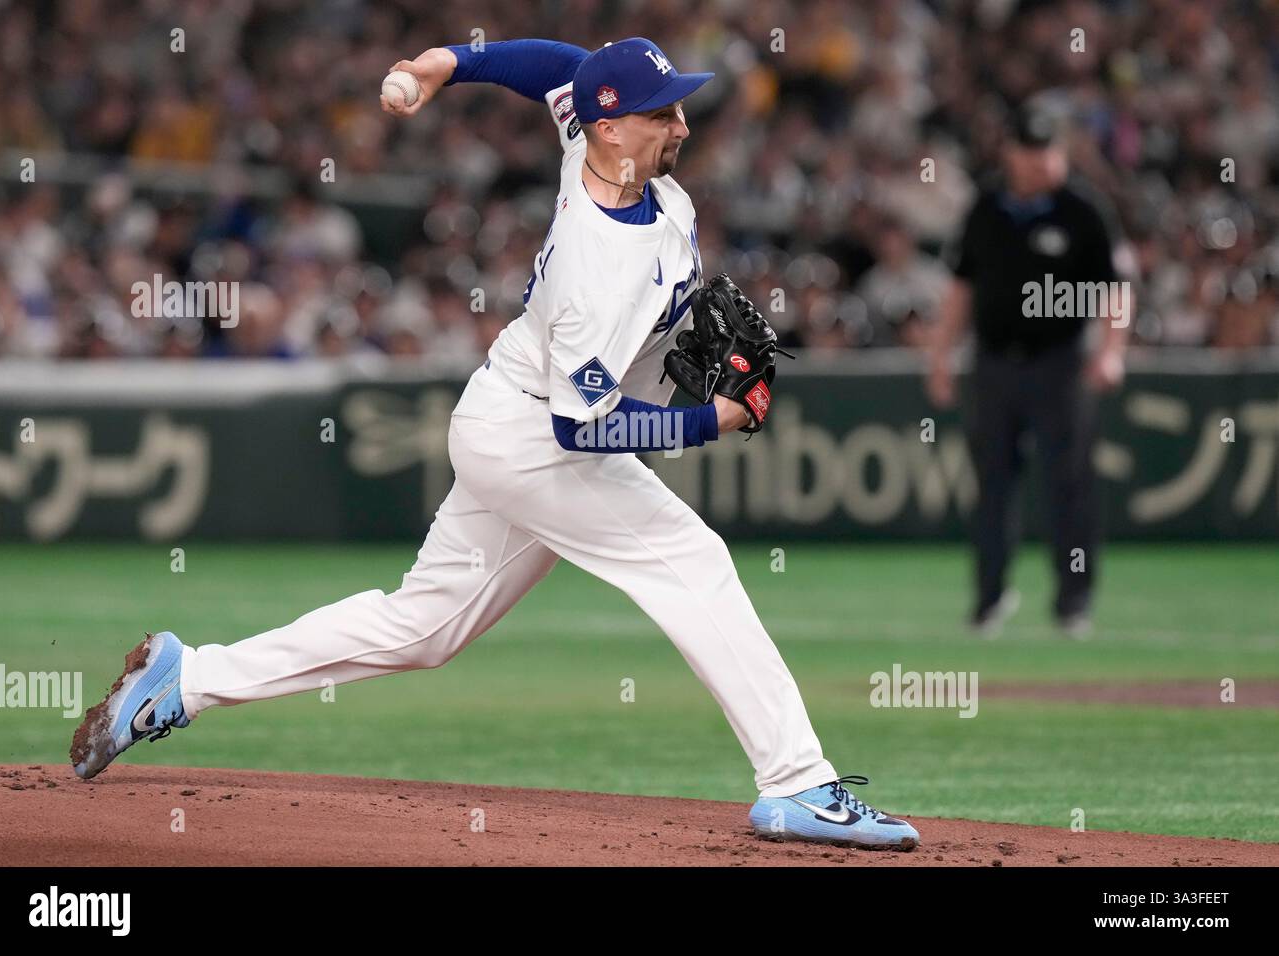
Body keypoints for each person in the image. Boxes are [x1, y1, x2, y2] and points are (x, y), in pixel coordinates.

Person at [70, 37, 919, 851]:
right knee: (690, 559)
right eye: (664, 113)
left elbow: (559, 67)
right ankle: (799, 781)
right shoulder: (596, 261)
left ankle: (189, 679)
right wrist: (714, 421)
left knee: (424, 628)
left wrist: (452, 61)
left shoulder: (604, 150)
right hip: (533, 437)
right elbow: (580, 431)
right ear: (614, 128)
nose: (682, 125)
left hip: (506, 418)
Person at [926, 105, 1131, 638]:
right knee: (992, 485)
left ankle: (1073, 602)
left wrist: (1112, 352)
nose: (1042, 162)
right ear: (1011, 153)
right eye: (1032, 151)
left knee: (1070, 484)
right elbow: (960, 288)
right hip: (994, 363)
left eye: (1050, 151)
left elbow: (1116, 288)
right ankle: (990, 599)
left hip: (1059, 364)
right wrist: (941, 358)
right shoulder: (987, 207)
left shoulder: (1082, 210)